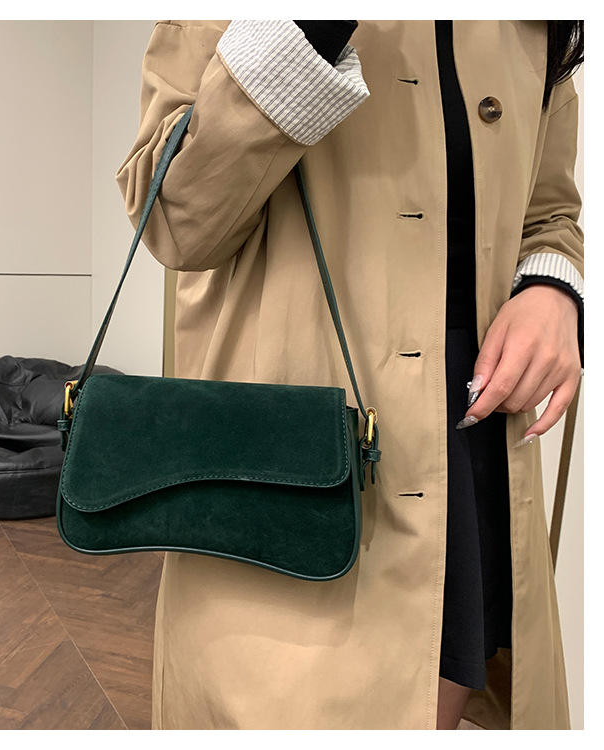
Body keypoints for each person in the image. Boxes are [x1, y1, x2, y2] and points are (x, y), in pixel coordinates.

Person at [116, 20, 584, 730]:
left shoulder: (534, 22)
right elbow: (176, 221)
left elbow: (551, 212)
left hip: (468, 431)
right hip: (292, 452)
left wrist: (551, 290)